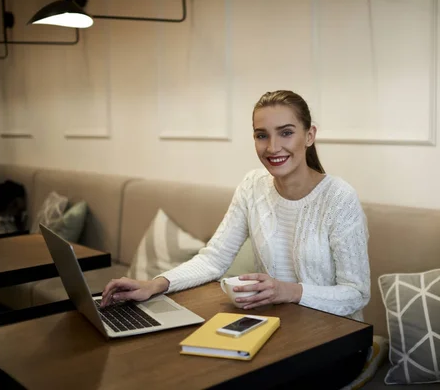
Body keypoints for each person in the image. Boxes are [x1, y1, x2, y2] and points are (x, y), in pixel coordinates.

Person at [101, 90, 371, 387]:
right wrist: (156, 284)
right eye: (261, 135)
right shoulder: (252, 187)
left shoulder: (339, 198)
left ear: (309, 136)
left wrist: (289, 291)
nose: (273, 147)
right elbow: (214, 259)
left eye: (286, 133)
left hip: (336, 342)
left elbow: (356, 294)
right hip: (275, 330)